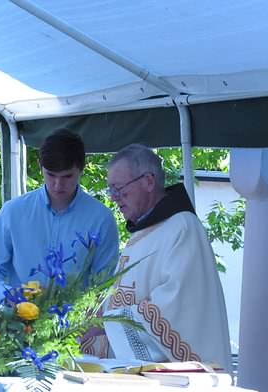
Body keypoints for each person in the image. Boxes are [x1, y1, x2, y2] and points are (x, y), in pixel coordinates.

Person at [81, 143, 232, 373]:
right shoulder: (141, 235)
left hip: (179, 382)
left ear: (148, 182)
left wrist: (105, 325)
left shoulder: (182, 228)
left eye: (119, 189)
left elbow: (177, 308)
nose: (114, 198)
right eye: (111, 190)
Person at [0, 128, 119, 303]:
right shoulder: (12, 212)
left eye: (67, 176)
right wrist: (7, 295)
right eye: (50, 175)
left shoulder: (102, 219)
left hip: (77, 327)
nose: (58, 185)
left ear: (82, 168)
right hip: (19, 323)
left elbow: (104, 285)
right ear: (39, 166)